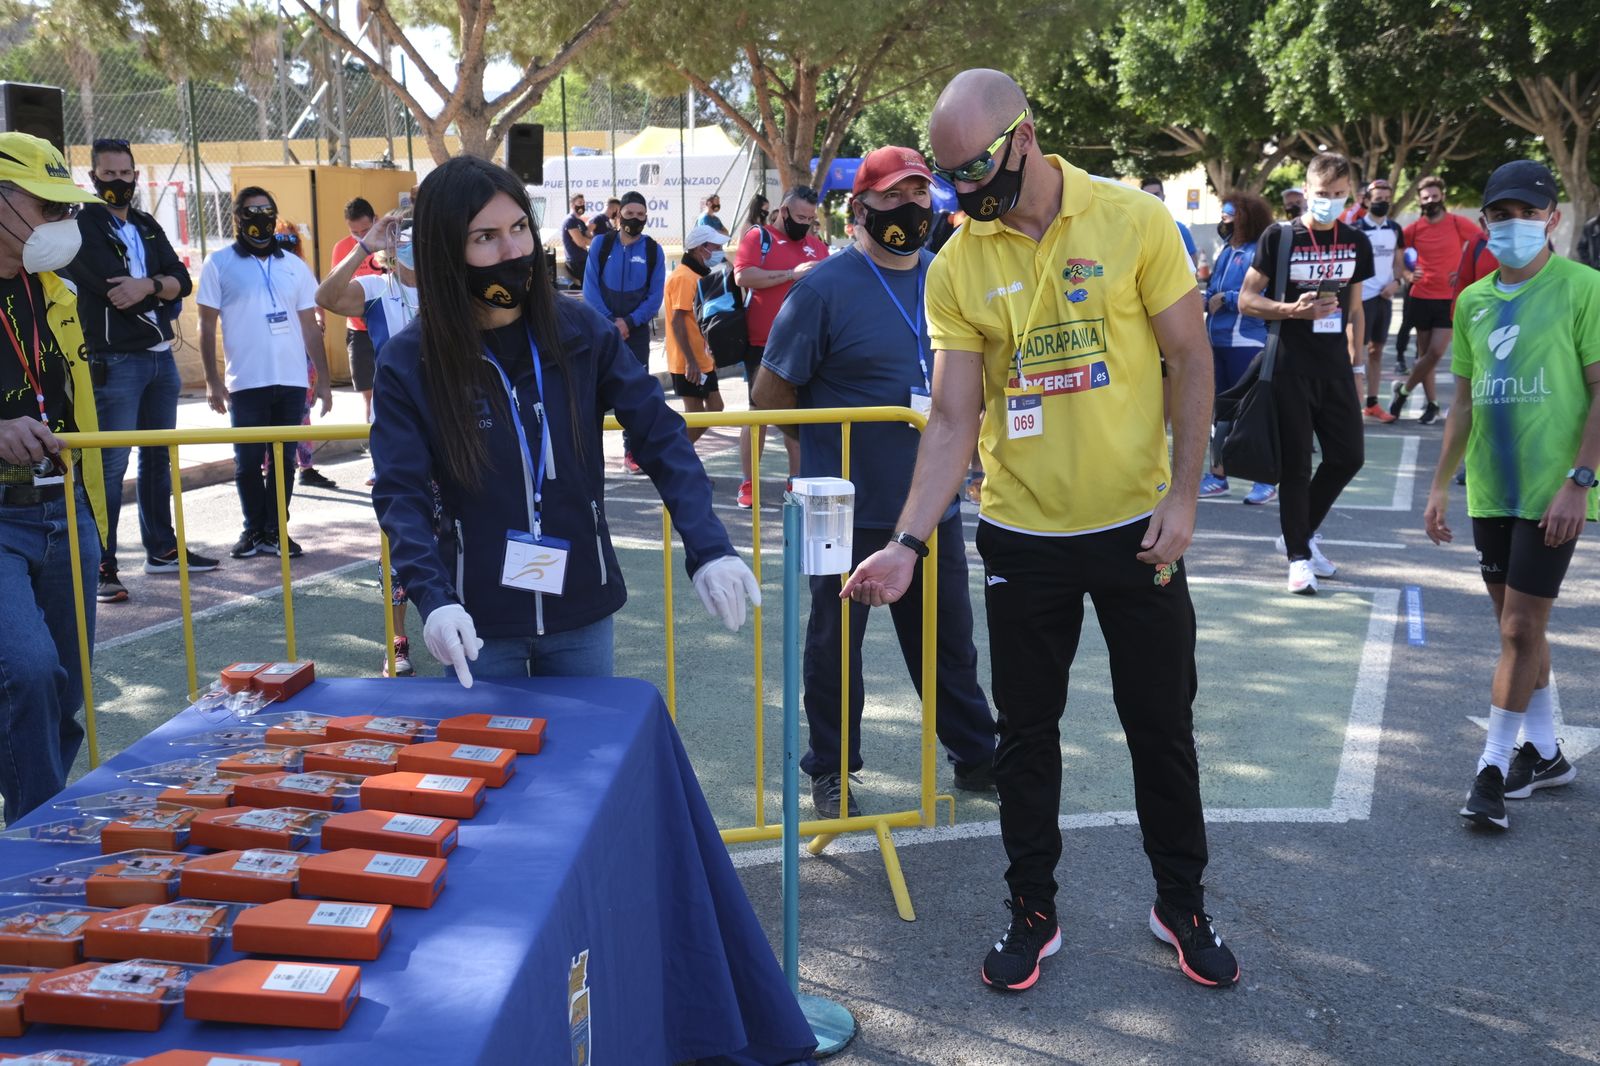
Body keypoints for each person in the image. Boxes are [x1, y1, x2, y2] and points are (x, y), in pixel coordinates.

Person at [841, 69, 1236, 993]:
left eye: (975, 171)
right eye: (949, 180)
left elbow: (1190, 357)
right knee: (1026, 738)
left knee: (1160, 727)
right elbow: (949, 420)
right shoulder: (957, 261)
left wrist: (1184, 499)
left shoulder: (1133, 220)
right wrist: (906, 542)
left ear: (1025, 135)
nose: (964, 195)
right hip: (1021, 538)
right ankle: (1032, 910)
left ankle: (1181, 903)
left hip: (1139, 530)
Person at [370, 155, 760, 682]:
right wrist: (434, 600)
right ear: (445, 252)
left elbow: (660, 434)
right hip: (476, 619)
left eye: (519, 229)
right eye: (485, 237)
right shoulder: (408, 359)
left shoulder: (581, 330)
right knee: (493, 759)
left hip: (581, 605)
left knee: (588, 758)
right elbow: (401, 494)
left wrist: (710, 547)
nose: (513, 251)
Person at [753, 146, 998, 818]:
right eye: (892, 197)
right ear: (858, 208)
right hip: (839, 509)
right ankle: (830, 771)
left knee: (948, 644)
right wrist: (813, 459)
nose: (910, 209)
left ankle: (978, 756)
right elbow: (770, 395)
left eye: (920, 195)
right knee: (833, 648)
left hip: (929, 508)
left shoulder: (947, 277)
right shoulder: (822, 288)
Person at [1423, 159, 1599, 830]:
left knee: (1521, 627)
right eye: (1503, 213)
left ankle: (1492, 769)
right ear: (1488, 221)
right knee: (1518, 628)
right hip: (1492, 490)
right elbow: (1463, 403)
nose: (1516, 224)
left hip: (1554, 490)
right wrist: (1440, 486)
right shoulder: (1472, 301)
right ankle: (1549, 754)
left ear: (1552, 218)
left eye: (1530, 213)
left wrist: (1580, 482)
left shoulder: (1585, 288)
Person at [0, 131, 107, 820]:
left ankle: (39, 815)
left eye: (69, 208)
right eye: (47, 206)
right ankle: (36, 835)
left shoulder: (56, 291)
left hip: (67, 509)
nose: (63, 223)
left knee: (65, 690)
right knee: (30, 670)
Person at [69, 136, 214, 604]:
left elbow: (182, 281)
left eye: (125, 173)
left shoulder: (148, 225)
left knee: (159, 459)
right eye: (107, 174)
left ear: (135, 175)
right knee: (110, 466)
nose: (118, 181)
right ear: (93, 177)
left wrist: (150, 284)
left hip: (159, 358)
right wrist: (159, 289)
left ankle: (163, 549)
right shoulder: (82, 226)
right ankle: (103, 564)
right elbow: (112, 289)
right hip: (115, 360)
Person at [1238, 153, 1372, 594]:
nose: (1329, 202)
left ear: (1349, 193)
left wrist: (1357, 368)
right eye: (1321, 194)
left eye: (1338, 195)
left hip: (1334, 368)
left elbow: (1355, 310)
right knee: (1296, 466)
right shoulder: (1280, 237)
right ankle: (1298, 557)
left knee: (1348, 456)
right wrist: (1291, 310)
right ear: (1306, 191)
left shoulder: (1355, 240)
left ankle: (1297, 534)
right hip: (1289, 367)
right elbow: (1246, 300)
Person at [198, 188, 332, 560]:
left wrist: (321, 379)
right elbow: (206, 326)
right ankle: (252, 529)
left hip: (290, 382)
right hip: (246, 382)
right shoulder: (219, 263)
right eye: (251, 211)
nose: (260, 217)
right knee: (247, 461)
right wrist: (212, 380)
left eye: (267, 211)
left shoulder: (294, 266)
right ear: (237, 217)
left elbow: (310, 325)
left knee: (284, 461)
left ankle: (276, 530)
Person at [316, 210, 421, 676]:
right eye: (404, 235)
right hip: (396, 438)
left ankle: (464, 627)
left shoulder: (457, 292)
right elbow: (326, 296)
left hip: (456, 436)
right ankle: (397, 639)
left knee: (461, 535)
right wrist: (366, 245)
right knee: (397, 541)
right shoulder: (378, 290)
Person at [733, 186, 825, 508]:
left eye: (812, 218)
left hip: (805, 347)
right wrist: (790, 274)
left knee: (798, 419)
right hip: (764, 345)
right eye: (801, 217)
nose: (807, 224)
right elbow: (743, 276)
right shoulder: (759, 238)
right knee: (758, 415)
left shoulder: (816, 245)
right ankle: (748, 483)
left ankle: (796, 482)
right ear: (784, 212)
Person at [1199, 193, 1275, 503]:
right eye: (1222, 216)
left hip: (1247, 343)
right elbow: (1213, 291)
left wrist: (1227, 299)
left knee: (1251, 415)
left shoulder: (1259, 252)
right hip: (1217, 342)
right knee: (1220, 413)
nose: (1224, 222)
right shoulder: (1225, 252)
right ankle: (1219, 475)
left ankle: (1265, 480)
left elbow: (1262, 293)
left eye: (1230, 217)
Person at [1390, 176, 1485, 423]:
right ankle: (1431, 404)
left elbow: (1482, 243)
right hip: (1420, 296)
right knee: (1424, 355)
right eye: (1425, 197)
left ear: (1442, 196)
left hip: (1449, 299)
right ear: (1420, 201)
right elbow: (1397, 252)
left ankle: (1403, 391)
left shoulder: (1457, 223)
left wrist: (1466, 270)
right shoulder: (1414, 229)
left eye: (1434, 196)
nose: (1430, 200)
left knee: (1434, 353)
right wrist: (1409, 274)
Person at [583, 191, 665, 475]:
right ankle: (588, 454)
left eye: (640, 215)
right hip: (601, 332)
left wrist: (628, 323)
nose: (634, 220)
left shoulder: (654, 250)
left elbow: (655, 298)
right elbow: (589, 290)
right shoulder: (600, 245)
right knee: (593, 392)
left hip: (636, 334)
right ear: (618, 216)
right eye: (629, 214)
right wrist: (609, 323)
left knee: (635, 394)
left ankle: (633, 452)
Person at [273, 221, 335, 494]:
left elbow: (317, 304)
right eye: (280, 237)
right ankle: (270, 467)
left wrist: (319, 321)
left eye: (289, 238)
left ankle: (306, 466)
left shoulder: (300, 270)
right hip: (275, 354)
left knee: (303, 410)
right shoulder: (263, 271)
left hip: (303, 353)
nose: (284, 242)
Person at [663, 223, 726, 444]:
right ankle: (677, 460)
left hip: (701, 358)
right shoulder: (684, 277)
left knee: (715, 408)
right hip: (688, 360)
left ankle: (678, 457)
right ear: (702, 248)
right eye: (716, 246)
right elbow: (678, 320)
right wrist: (690, 361)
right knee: (696, 415)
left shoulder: (696, 276)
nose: (720, 250)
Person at [328, 196, 381, 440]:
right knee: (369, 396)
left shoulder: (390, 244)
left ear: (376, 221)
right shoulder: (342, 248)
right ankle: (375, 457)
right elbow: (334, 288)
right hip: (359, 331)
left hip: (388, 328)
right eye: (355, 232)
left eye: (366, 230)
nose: (361, 236)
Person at [1354, 179, 1405, 422]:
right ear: (1366, 200)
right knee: (1356, 355)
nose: (1383, 202)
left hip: (1384, 298)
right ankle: (1351, 406)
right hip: (1360, 299)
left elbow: (1398, 262)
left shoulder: (1395, 228)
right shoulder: (1355, 229)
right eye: (1378, 198)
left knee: (1377, 351)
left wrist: (1396, 282)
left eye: (1386, 198)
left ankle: (1372, 403)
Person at [1139, 176, 1198, 265]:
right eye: (1148, 196)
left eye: (1156, 194)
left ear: (1163, 196)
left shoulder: (1179, 230)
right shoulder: (1137, 231)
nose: (1153, 199)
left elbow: (1193, 263)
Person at [560, 193, 592, 286]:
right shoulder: (570, 220)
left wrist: (585, 240)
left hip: (584, 259)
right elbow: (580, 242)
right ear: (572, 205)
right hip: (576, 262)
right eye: (580, 202)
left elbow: (590, 237)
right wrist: (584, 241)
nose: (582, 205)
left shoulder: (580, 221)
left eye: (583, 203)